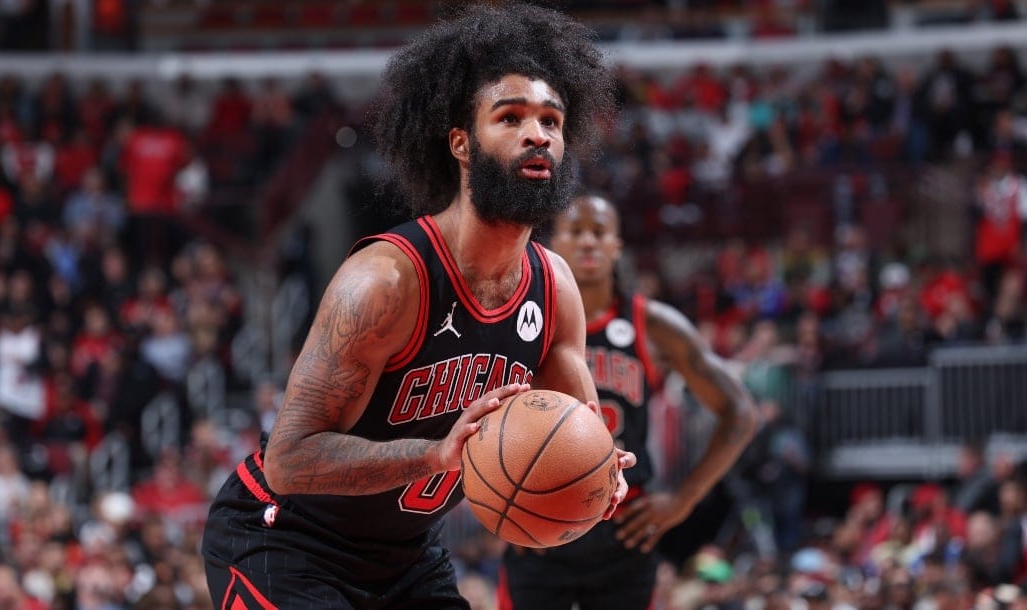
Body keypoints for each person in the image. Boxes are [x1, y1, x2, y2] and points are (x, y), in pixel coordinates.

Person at [201, 5, 633, 609]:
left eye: (551, 121)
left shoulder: (554, 288)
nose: (538, 133)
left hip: (405, 556)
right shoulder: (386, 280)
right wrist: (434, 455)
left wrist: (600, 473)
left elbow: (578, 432)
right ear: (460, 142)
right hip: (286, 538)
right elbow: (289, 460)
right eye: (510, 117)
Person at [498, 194, 758, 610]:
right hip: (539, 524)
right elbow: (477, 411)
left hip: (624, 527)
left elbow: (740, 412)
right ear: (553, 243)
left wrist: (684, 498)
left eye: (599, 233)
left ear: (616, 246)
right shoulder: (522, 321)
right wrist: (495, 504)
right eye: (576, 231)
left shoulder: (653, 325)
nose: (587, 242)